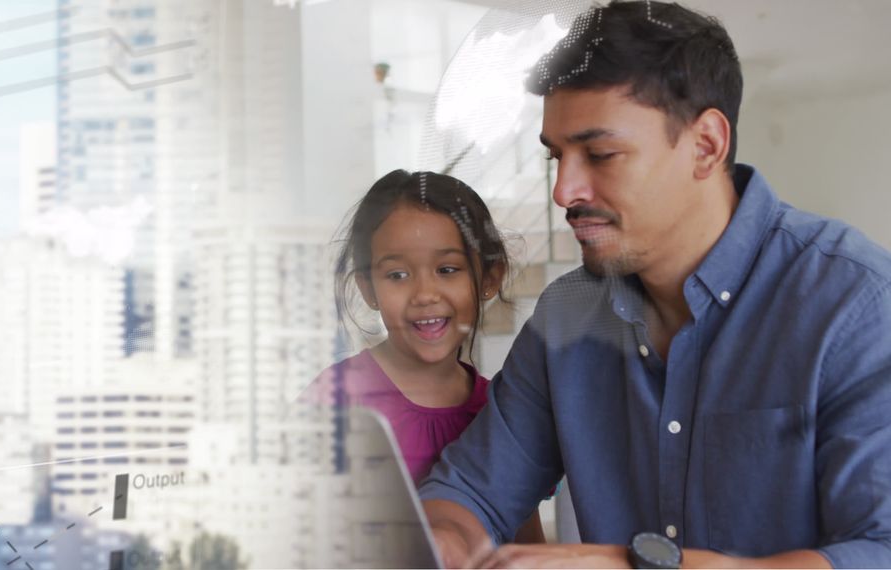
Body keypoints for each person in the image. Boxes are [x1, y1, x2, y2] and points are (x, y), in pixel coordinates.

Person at [418, 1, 891, 568]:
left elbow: (878, 548)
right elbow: (471, 491)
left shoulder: (854, 304)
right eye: (556, 157)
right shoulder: (567, 314)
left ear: (706, 145)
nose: (564, 191)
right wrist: (438, 541)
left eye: (600, 154)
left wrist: (629, 564)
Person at [304, 169, 546, 540]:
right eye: (398, 275)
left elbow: (525, 542)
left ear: (488, 279)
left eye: (447, 270)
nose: (424, 294)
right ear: (368, 288)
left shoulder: (500, 411)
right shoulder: (336, 400)